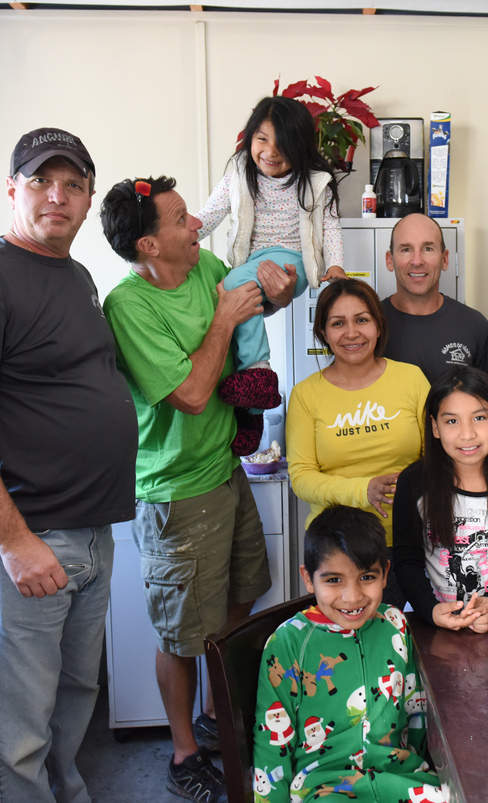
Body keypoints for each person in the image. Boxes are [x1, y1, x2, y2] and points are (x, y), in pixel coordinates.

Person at [0, 127, 137, 803]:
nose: (57, 197)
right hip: (27, 536)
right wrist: (13, 541)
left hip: (90, 533)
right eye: (42, 181)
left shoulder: (76, 276)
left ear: (89, 199)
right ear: (12, 189)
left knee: (72, 707)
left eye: (74, 185)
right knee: (16, 734)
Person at [100, 175, 290, 803]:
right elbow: (190, 394)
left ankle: (212, 715)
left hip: (225, 470)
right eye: (182, 219)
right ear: (149, 245)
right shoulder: (129, 307)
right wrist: (225, 320)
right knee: (181, 635)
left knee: (242, 596)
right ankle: (184, 755)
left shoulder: (205, 266)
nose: (196, 226)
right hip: (176, 493)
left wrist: (275, 292)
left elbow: (251, 309)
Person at [252, 505, 447, 803]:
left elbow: (414, 706)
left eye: (367, 577)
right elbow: (271, 742)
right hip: (324, 789)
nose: (352, 597)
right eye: (333, 580)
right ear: (308, 578)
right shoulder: (287, 642)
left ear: (385, 574)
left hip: (402, 778)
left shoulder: (395, 624)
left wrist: (425, 767)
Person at [196, 96, 347, 455]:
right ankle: (251, 415)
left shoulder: (315, 182)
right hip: (252, 263)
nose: (270, 151)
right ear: (250, 138)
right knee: (233, 310)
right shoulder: (239, 173)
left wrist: (336, 265)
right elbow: (209, 215)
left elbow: (330, 227)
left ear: (301, 145)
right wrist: (179, 231)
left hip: (292, 262)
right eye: (262, 139)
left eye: (283, 143)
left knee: (232, 286)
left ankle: (260, 371)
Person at [286, 279, 429, 608]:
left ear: (378, 326)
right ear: (324, 333)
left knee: (411, 635)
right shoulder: (306, 395)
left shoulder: (411, 379)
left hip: (409, 540)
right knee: (347, 638)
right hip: (336, 547)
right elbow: (302, 478)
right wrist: (364, 490)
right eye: (338, 323)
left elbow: (438, 454)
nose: (351, 333)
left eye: (362, 320)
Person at [393, 366, 488, 633]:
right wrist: (431, 610)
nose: (467, 434)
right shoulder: (414, 483)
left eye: (479, 418)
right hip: (431, 624)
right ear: (435, 427)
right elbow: (407, 562)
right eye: (452, 421)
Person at [380, 213, 488, 384]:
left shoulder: (475, 326)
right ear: (390, 260)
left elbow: (486, 398)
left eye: (428, 249)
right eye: (406, 249)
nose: (417, 261)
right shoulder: (370, 325)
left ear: (445, 259)